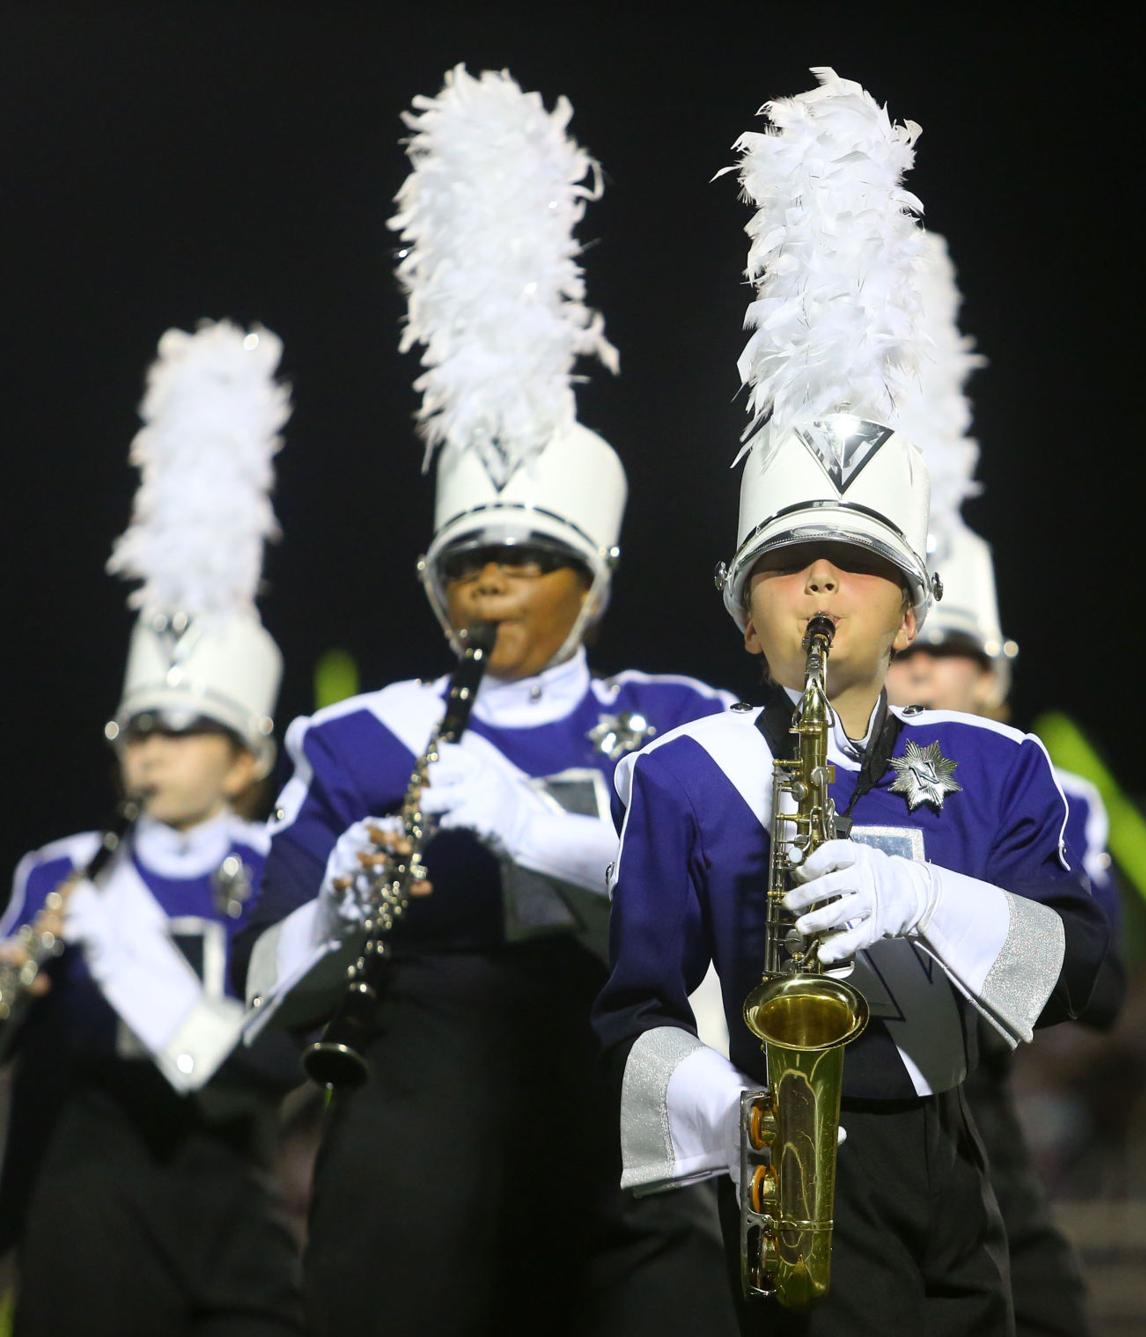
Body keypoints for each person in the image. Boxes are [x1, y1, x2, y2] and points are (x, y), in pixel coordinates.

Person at [592, 69, 1111, 1335]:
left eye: (859, 560)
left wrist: (927, 896)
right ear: (743, 610)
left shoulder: (996, 767)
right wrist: (732, 1113)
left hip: (957, 1156)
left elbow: (1090, 970)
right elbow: (631, 1012)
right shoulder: (684, 772)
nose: (821, 577)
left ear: (914, 611)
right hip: (787, 1162)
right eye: (785, 562)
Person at [236, 67, 738, 1337]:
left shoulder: (677, 715)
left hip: (633, 1144)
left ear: (597, 582)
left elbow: (739, 932)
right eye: (469, 559)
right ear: (432, 580)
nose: (496, 578)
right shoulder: (359, 741)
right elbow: (255, 1005)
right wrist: (337, 910)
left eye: (531, 558)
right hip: (411, 1158)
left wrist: (542, 831)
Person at [0, 322, 303, 1337]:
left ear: (245, 756)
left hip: (243, 1190)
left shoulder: (276, 861)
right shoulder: (61, 868)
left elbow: (285, 1051)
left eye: (187, 730)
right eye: (141, 730)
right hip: (93, 1196)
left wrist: (124, 951)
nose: (156, 750)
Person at [883, 240, 1120, 1335]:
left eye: (958, 652)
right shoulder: (808, 772)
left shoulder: (1052, 792)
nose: (929, 670)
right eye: (913, 648)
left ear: (999, 674)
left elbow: (1097, 979)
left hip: (982, 1125)